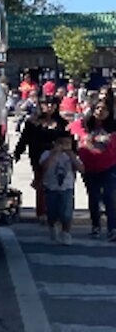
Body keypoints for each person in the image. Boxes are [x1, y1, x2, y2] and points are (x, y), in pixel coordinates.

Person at [15, 96, 68, 222]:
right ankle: (42, 212)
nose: (49, 106)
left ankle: (57, 211)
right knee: (41, 183)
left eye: (52, 104)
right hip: (37, 156)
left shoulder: (62, 123)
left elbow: (68, 140)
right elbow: (24, 139)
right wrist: (18, 152)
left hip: (58, 157)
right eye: (46, 103)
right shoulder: (32, 122)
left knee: (58, 184)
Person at [72, 101, 116, 240]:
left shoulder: (113, 127)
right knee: (94, 197)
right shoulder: (83, 124)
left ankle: (112, 228)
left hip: (110, 166)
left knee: (110, 197)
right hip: (89, 167)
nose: (100, 111)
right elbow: (72, 132)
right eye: (97, 108)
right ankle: (96, 226)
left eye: (104, 109)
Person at [41, 131, 83, 244]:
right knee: (52, 211)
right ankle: (52, 226)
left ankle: (66, 233)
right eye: (61, 143)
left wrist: (72, 156)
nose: (64, 145)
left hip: (67, 187)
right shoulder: (47, 154)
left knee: (67, 212)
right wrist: (54, 153)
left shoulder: (72, 155)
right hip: (51, 187)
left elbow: (81, 169)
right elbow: (44, 167)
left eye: (67, 143)